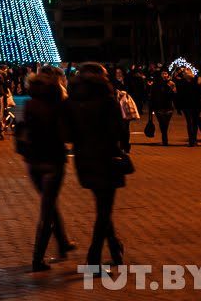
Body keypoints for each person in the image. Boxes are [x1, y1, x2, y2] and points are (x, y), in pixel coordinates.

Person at [67, 62, 126, 268]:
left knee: (103, 207)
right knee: (104, 210)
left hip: (84, 160)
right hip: (106, 159)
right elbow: (118, 130)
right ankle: (93, 258)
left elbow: (68, 132)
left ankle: (116, 249)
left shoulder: (73, 101)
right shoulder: (107, 100)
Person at [19, 70, 75, 271]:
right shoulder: (58, 107)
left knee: (49, 203)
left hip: (34, 162)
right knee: (47, 209)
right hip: (53, 161)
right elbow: (67, 135)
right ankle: (37, 258)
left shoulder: (29, 104)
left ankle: (62, 242)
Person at [173, 68, 201, 146]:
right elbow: (178, 95)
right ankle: (191, 140)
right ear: (184, 75)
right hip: (186, 105)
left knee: (195, 122)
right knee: (189, 122)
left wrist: (200, 83)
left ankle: (194, 139)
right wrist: (178, 108)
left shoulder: (196, 80)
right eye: (186, 72)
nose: (188, 73)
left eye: (189, 71)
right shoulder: (182, 82)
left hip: (196, 105)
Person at [147, 69, 176, 145]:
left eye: (166, 73)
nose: (165, 75)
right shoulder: (156, 84)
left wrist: (172, 88)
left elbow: (174, 95)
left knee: (166, 124)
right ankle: (164, 138)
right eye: (163, 73)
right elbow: (152, 95)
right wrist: (151, 107)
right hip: (158, 107)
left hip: (168, 107)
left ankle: (164, 136)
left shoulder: (171, 83)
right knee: (162, 123)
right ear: (160, 75)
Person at [115, 84, 140, 154]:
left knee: (125, 129)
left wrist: (125, 94)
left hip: (126, 110)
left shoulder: (128, 81)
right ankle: (122, 146)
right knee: (121, 129)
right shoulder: (112, 82)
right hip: (118, 111)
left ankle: (125, 146)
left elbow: (135, 92)